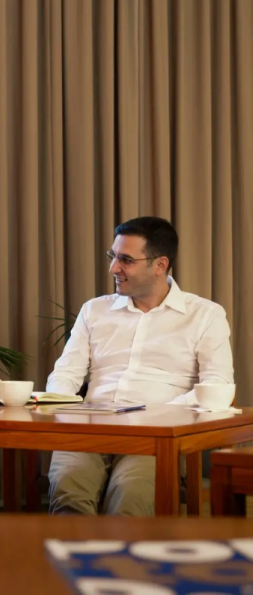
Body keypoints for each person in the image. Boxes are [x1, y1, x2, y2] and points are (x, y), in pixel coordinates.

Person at [46, 216, 234, 516]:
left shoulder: (205, 315)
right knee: (68, 491)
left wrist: (158, 414)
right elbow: (66, 372)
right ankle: (73, 550)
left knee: (130, 499)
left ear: (160, 265)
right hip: (89, 430)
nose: (113, 268)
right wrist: (61, 409)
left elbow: (218, 386)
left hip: (156, 437)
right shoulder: (94, 310)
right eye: (112, 256)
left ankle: (122, 550)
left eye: (125, 260)